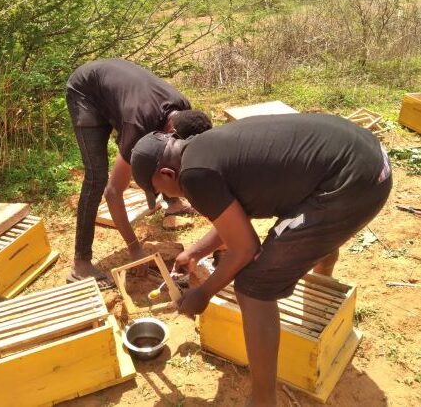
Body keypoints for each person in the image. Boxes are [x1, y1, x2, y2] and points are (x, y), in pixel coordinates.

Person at [130, 113, 391, 406]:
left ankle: (263, 400)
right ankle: (322, 283)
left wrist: (203, 293)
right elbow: (237, 216)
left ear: (166, 174)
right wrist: (196, 252)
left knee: (253, 286)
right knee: (309, 231)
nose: (164, 198)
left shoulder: (194, 176)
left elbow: (245, 249)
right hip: (369, 157)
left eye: (159, 192)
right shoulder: (202, 148)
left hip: (353, 183)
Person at [66, 58, 212, 288]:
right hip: (86, 92)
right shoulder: (137, 126)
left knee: (166, 155)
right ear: (171, 131)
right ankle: (81, 264)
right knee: (97, 177)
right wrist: (135, 248)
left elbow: (175, 159)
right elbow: (113, 193)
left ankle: (172, 203)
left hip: (120, 92)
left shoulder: (184, 110)